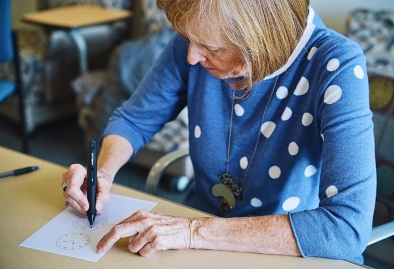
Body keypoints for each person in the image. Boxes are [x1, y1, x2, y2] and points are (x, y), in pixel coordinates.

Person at [61, 0, 376, 263]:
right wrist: (101, 172)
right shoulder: (196, 38)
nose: (191, 57)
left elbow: (346, 228)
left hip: (284, 251)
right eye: (187, 38)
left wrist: (192, 231)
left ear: (260, 38)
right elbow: (134, 118)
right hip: (196, 237)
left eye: (211, 47)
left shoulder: (336, 65)